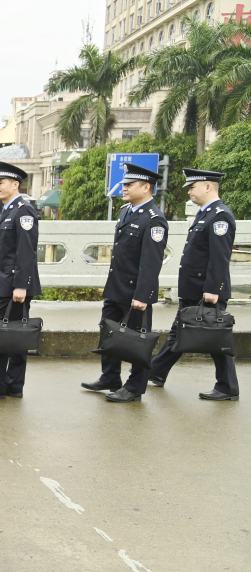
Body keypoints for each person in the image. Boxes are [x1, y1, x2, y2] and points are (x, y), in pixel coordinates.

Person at [149, 168, 238, 400]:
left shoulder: (220, 216)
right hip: (194, 288)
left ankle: (228, 387)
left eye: (192, 187)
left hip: (205, 291)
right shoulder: (205, 213)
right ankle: (156, 372)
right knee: (180, 333)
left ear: (208, 187)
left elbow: (219, 257)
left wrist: (212, 289)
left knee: (217, 338)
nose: (189, 191)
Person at [81, 163, 168, 403]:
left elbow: (151, 262)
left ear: (146, 187)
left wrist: (142, 295)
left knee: (137, 341)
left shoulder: (154, 220)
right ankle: (110, 377)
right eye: (124, 184)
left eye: (129, 185)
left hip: (135, 292)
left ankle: (135, 387)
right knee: (108, 332)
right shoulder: (127, 211)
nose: (124, 188)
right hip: (117, 287)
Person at [0, 161, 41, 400]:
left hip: (15, 285)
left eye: (0, 182)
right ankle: (13, 384)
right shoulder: (10, 209)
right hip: (9, 283)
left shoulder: (23, 210)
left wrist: (21, 285)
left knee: (4, 335)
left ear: (15, 184)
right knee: (15, 335)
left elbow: (26, 250)